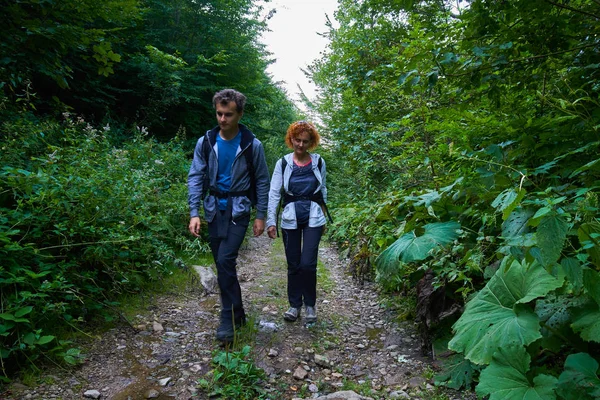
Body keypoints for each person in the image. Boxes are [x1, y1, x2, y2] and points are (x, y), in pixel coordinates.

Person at [188, 89, 270, 343]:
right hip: (213, 208)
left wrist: (261, 215)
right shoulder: (206, 141)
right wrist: (194, 212)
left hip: (239, 209)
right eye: (219, 114)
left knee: (225, 260)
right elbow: (195, 176)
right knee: (223, 265)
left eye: (228, 114)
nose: (222, 119)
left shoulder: (251, 145)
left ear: (240, 114)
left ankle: (227, 319)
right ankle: (239, 313)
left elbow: (262, 180)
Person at [266, 121, 328, 324]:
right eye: (297, 140)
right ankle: (294, 305)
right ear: (291, 139)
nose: (300, 145)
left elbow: (323, 190)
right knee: (293, 264)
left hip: (314, 216)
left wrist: (325, 216)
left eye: (305, 141)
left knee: (308, 264)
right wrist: (270, 221)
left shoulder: (318, 162)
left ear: (311, 143)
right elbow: (275, 192)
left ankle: (310, 305)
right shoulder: (283, 163)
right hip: (290, 216)